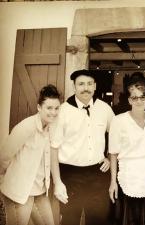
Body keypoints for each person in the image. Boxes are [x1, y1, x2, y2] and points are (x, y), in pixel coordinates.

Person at [50, 69, 115, 225]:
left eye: (89, 84)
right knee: (70, 219)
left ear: (95, 86)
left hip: (98, 173)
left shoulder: (104, 108)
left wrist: (108, 157)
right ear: (74, 87)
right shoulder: (63, 111)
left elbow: (116, 136)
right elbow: (53, 148)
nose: (85, 88)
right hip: (70, 174)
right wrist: (57, 182)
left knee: (98, 219)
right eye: (81, 84)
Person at [0, 84, 68, 225]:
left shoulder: (52, 127)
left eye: (56, 108)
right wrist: (5, 179)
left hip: (39, 191)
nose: (53, 112)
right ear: (39, 108)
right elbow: (4, 156)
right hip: (18, 191)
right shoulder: (25, 127)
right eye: (49, 108)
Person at [108, 72, 145, 225]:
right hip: (128, 176)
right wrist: (113, 182)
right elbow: (113, 153)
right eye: (134, 97)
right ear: (129, 99)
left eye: (143, 97)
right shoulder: (118, 121)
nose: (139, 101)